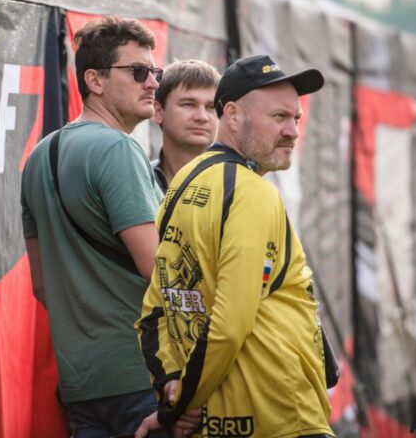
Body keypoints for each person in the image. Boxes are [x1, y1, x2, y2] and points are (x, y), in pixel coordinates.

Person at [135, 54, 334, 438]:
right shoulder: (253, 192)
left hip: (215, 421)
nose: (292, 131)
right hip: (281, 418)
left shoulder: (182, 182)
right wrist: (184, 403)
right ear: (233, 114)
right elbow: (229, 324)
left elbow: (155, 310)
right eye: (279, 117)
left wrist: (173, 389)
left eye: (296, 118)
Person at [21, 16, 199, 437]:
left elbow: (42, 286)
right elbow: (159, 269)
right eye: (137, 72)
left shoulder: (38, 157)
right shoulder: (118, 149)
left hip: (81, 383)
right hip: (142, 375)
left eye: (154, 72)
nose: (152, 83)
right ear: (95, 80)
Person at [151, 60, 220, 192]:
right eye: (188, 104)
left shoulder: (236, 185)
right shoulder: (140, 181)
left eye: (211, 107)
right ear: (158, 111)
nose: (202, 117)